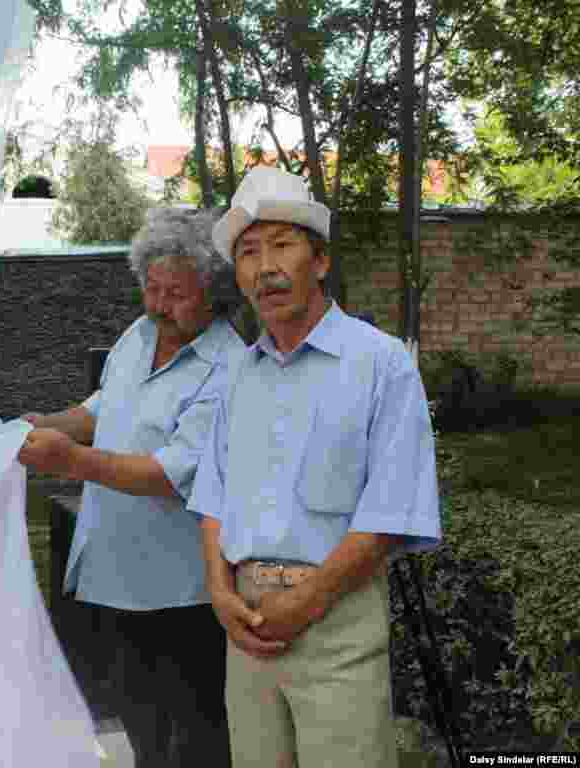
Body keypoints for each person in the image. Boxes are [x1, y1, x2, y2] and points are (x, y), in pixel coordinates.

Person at [188, 166, 442, 768]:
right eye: (248, 252)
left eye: (282, 245)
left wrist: (305, 601)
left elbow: (392, 508)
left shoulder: (380, 365)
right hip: (245, 627)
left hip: (335, 622)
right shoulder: (235, 378)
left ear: (320, 261)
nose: (265, 267)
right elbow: (212, 498)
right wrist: (220, 592)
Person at [17, 208, 241, 768]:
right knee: (141, 726)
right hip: (114, 576)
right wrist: (40, 424)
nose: (159, 306)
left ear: (213, 297)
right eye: (152, 289)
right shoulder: (139, 335)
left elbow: (170, 474)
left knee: (194, 736)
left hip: (181, 591)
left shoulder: (230, 368)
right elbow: (99, 413)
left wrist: (71, 461)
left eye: (177, 294)